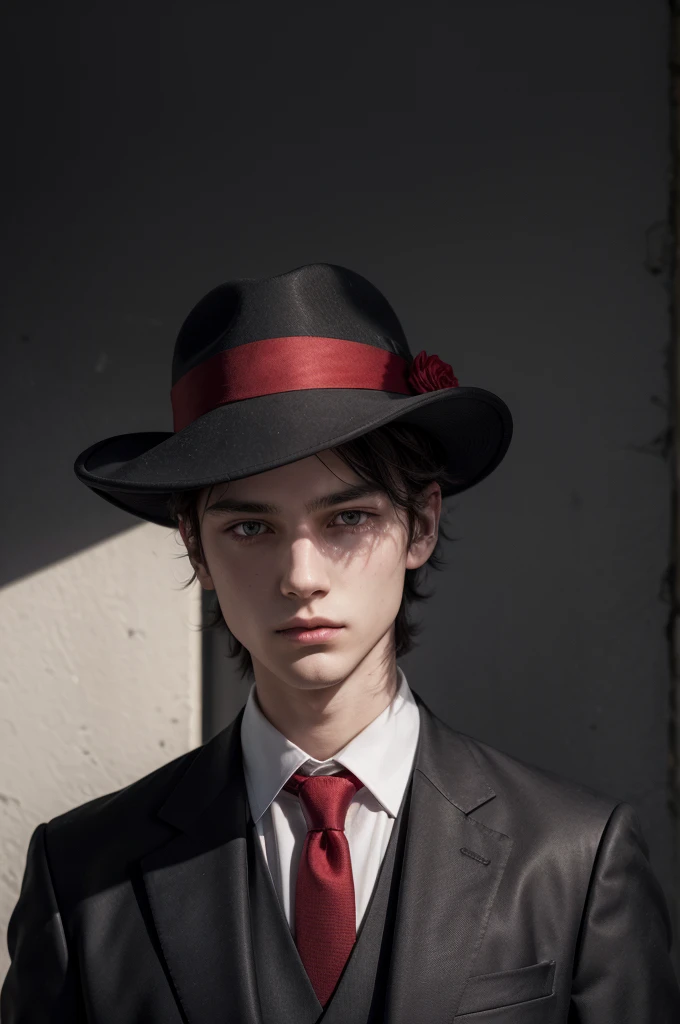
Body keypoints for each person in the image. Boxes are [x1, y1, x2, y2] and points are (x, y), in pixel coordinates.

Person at [2, 262, 678, 1023]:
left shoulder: (573, 858)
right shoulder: (84, 874)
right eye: (250, 527)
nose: (300, 575)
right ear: (196, 548)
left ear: (421, 524)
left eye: (346, 518)